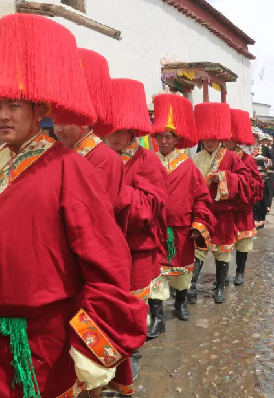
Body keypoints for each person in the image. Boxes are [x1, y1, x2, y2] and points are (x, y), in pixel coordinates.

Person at [0, 15, 148, 398]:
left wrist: (93, 336)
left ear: (38, 110)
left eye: (13, 104)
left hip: (46, 338)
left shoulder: (69, 168)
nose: (2, 115)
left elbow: (106, 258)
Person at [103, 78, 168, 395]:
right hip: (103, 247)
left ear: (132, 130)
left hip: (135, 250)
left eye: (119, 129)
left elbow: (152, 206)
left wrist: (117, 194)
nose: (112, 136)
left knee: (131, 308)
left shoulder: (148, 161)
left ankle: (132, 352)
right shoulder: (98, 157)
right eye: (108, 129)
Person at [150, 93, 215, 323]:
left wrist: (198, 222)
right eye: (160, 136)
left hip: (181, 229)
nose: (164, 141)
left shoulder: (188, 166)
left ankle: (179, 303)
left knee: (181, 274)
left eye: (168, 137)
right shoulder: (149, 162)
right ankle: (157, 316)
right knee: (155, 273)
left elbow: (202, 198)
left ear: (176, 139)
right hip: (155, 229)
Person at [191, 103, 262, 299]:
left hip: (226, 211)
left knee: (223, 249)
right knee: (198, 248)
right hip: (202, 211)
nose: (210, 142)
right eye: (207, 138)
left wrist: (224, 178)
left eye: (215, 138)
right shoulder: (195, 158)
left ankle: (222, 284)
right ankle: (190, 287)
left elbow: (252, 183)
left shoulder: (234, 158)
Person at [53, 49, 124, 207]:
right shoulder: (58, 154)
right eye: (54, 121)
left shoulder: (106, 159)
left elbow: (99, 212)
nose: (57, 130)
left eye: (64, 122)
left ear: (83, 121)